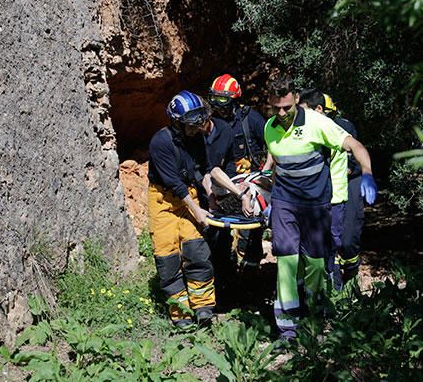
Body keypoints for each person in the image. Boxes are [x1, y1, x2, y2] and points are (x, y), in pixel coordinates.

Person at [263, 75, 377, 341]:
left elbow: (355, 146)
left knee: (315, 265)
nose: (281, 114)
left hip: (315, 204)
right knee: (286, 261)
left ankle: (314, 315)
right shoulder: (269, 127)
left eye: (286, 108)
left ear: (297, 101)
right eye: (275, 108)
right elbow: (277, 167)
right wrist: (267, 197)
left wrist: (368, 172)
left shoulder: (318, 124)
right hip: (285, 203)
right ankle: (288, 329)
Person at [147, 90, 251, 328]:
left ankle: (203, 307)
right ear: (177, 123)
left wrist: (213, 197)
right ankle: (181, 313)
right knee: (168, 256)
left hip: (189, 196)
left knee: (197, 251)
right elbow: (174, 183)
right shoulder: (160, 142)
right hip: (164, 201)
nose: (197, 129)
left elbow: (205, 170)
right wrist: (197, 211)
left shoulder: (196, 138)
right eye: (192, 125)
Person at [298, 89, 373, 291]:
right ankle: (332, 286)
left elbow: (353, 154)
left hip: (346, 186)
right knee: (325, 244)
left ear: (320, 110)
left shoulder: (341, 128)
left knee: (347, 239)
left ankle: (350, 273)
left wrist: (365, 172)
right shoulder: (304, 130)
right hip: (322, 194)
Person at [208, 74, 267, 268]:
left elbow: (274, 144)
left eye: (223, 101)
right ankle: (225, 265)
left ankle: (251, 266)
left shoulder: (251, 119)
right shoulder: (213, 123)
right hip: (224, 183)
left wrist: (265, 173)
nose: (218, 107)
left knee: (252, 228)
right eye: (214, 101)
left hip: (251, 182)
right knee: (219, 230)